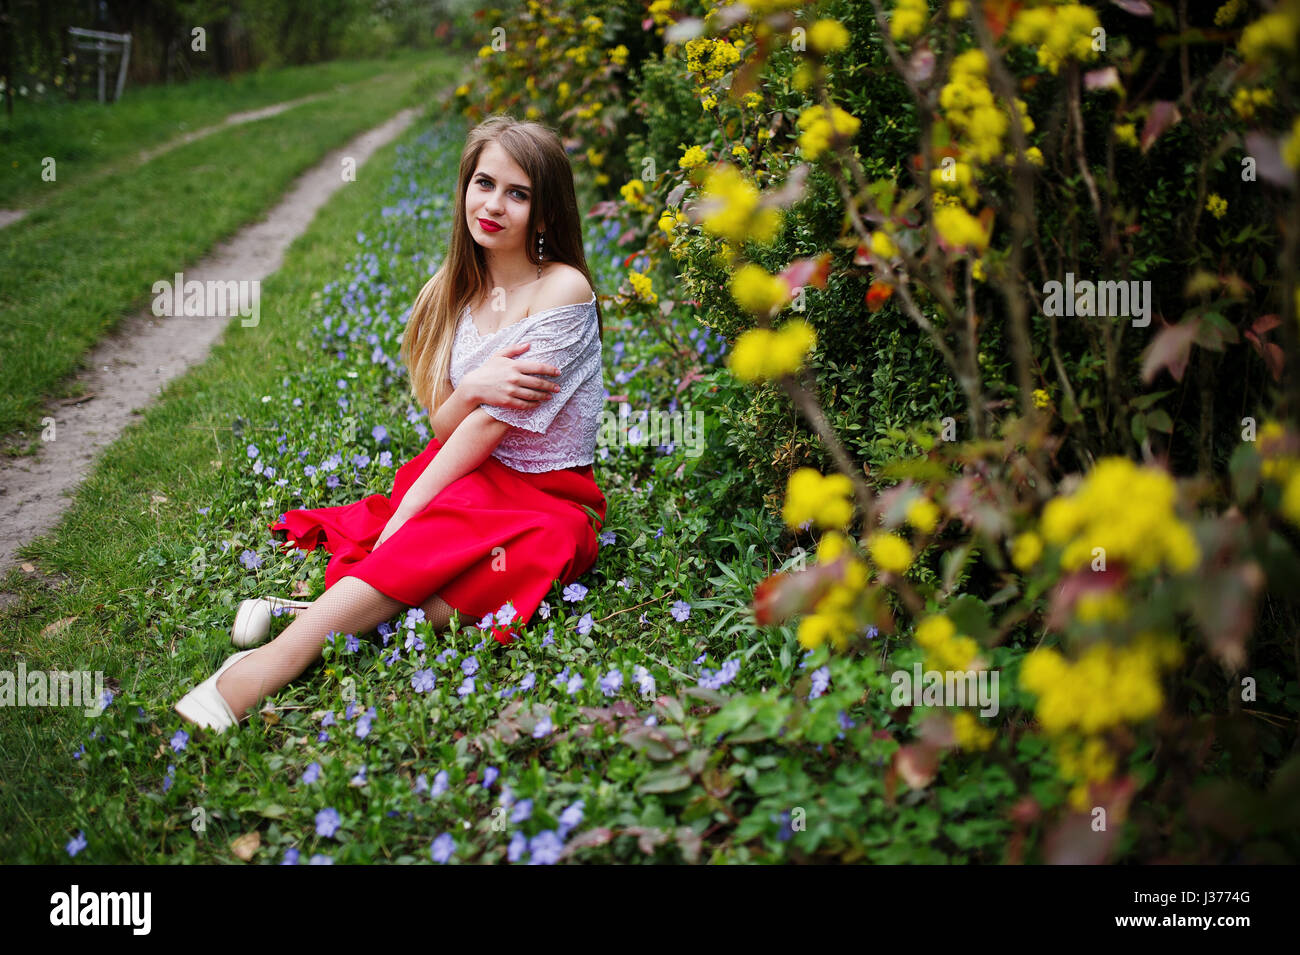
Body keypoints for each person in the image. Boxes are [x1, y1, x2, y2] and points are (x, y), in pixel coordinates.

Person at [174, 114, 607, 731]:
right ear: (463, 187)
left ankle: (299, 635)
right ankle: (294, 646)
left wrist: (402, 525)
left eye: (518, 193)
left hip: (548, 493)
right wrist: (477, 386)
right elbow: (445, 424)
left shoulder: (561, 290)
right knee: (444, 525)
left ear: (545, 213)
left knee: (542, 545)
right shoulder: (451, 291)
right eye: (483, 183)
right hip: (463, 469)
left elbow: (489, 429)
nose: (494, 205)